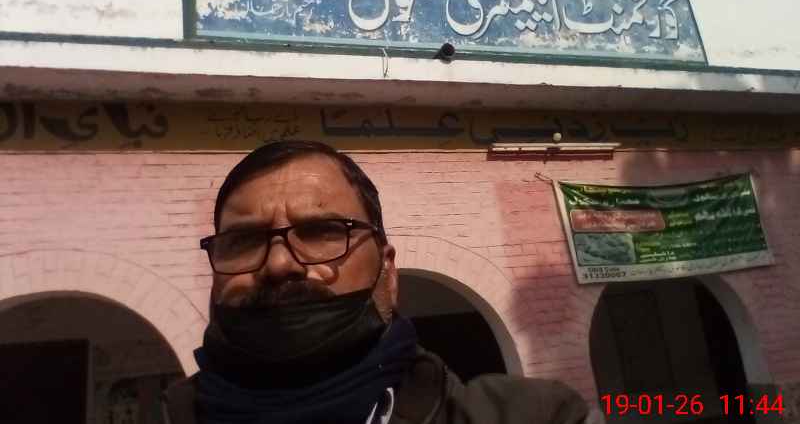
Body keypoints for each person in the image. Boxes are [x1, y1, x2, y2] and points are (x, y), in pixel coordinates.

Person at [163, 140, 589, 424]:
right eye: (244, 241)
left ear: (388, 272)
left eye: (322, 232)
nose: (278, 263)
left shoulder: (536, 415)